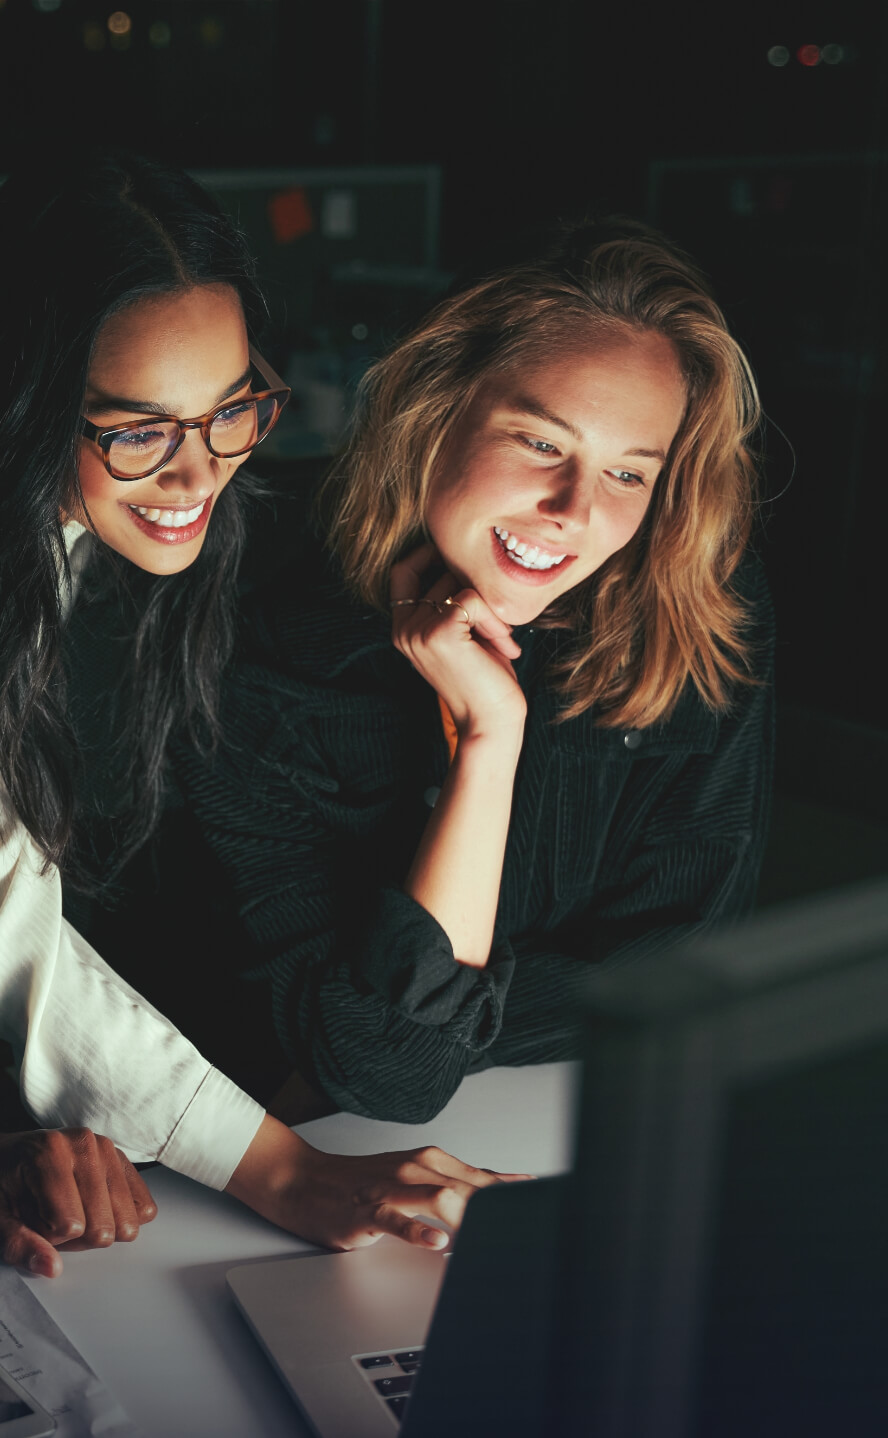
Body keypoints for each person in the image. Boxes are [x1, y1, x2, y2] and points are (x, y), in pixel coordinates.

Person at [0, 148, 522, 1279]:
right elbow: (17, 945)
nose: (197, 478)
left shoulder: (88, 534)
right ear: (29, 399)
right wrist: (286, 1171)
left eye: (230, 410)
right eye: (138, 431)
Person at [161, 217, 775, 1125]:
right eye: (540, 444)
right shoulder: (259, 658)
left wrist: (422, 1020)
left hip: (588, 1118)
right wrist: (490, 743)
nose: (574, 511)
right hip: (300, 1156)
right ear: (437, 411)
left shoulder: (703, 610)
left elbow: (682, 971)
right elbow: (389, 1077)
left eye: (629, 476)